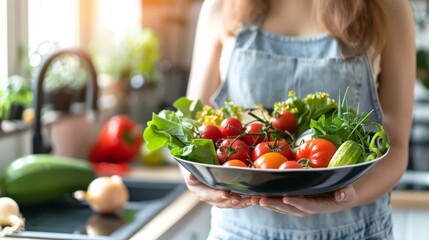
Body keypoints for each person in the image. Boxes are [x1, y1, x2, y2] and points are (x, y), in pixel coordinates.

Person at [184, 0, 415, 239]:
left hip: (354, 231)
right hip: (238, 232)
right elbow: (190, 131)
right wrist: (194, 180)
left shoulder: (388, 7)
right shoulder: (221, 6)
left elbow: (395, 147)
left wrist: (347, 196)